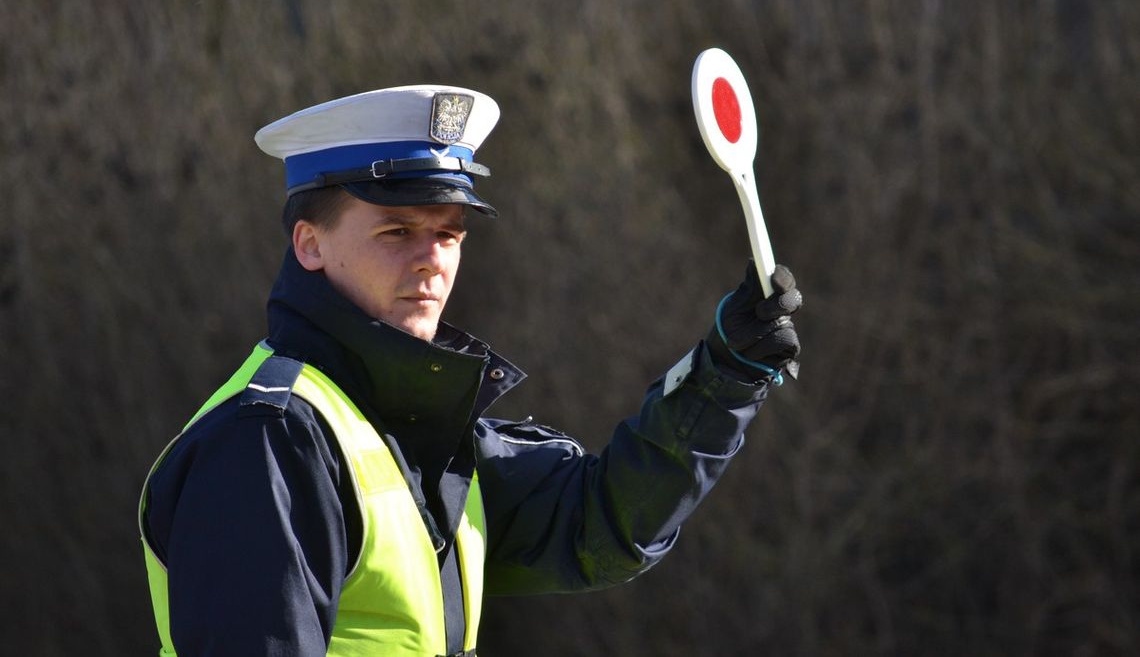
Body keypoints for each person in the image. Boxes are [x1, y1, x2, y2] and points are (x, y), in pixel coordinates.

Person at [138, 85, 802, 656]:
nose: (432, 259)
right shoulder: (270, 441)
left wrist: (724, 372)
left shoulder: (412, 427)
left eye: (449, 233)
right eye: (397, 232)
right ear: (310, 244)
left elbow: (600, 524)